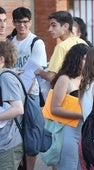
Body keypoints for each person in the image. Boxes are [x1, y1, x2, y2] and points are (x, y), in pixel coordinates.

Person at [42, 43, 89, 170]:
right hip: (67, 131)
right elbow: (55, 108)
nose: (88, 62)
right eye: (85, 59)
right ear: (76, 59)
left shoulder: (87, 79)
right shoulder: (64, 79)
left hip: (83, 131)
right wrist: (82, 114)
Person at [11, 7, 47, 170]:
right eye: (18, 22)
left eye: (25, 22)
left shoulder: (36, 42)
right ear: (14, 23)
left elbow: (33, 73)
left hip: (29, 95)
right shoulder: (9, 42)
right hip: (11, 96)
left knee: (32, 136)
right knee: (14, 136)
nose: (22, 25)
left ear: (30, 22)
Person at [35, 11, 87, 82]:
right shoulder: (83, 42)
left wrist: (40, 72)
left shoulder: (61, 47)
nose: (49, 29)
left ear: (66, 26)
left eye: (54, 25)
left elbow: (51, 77)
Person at [0, 40, 25, 170]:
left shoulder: (6, 78)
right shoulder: (7, 76)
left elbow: (18, 109)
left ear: (1, 59)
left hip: (8, 143)